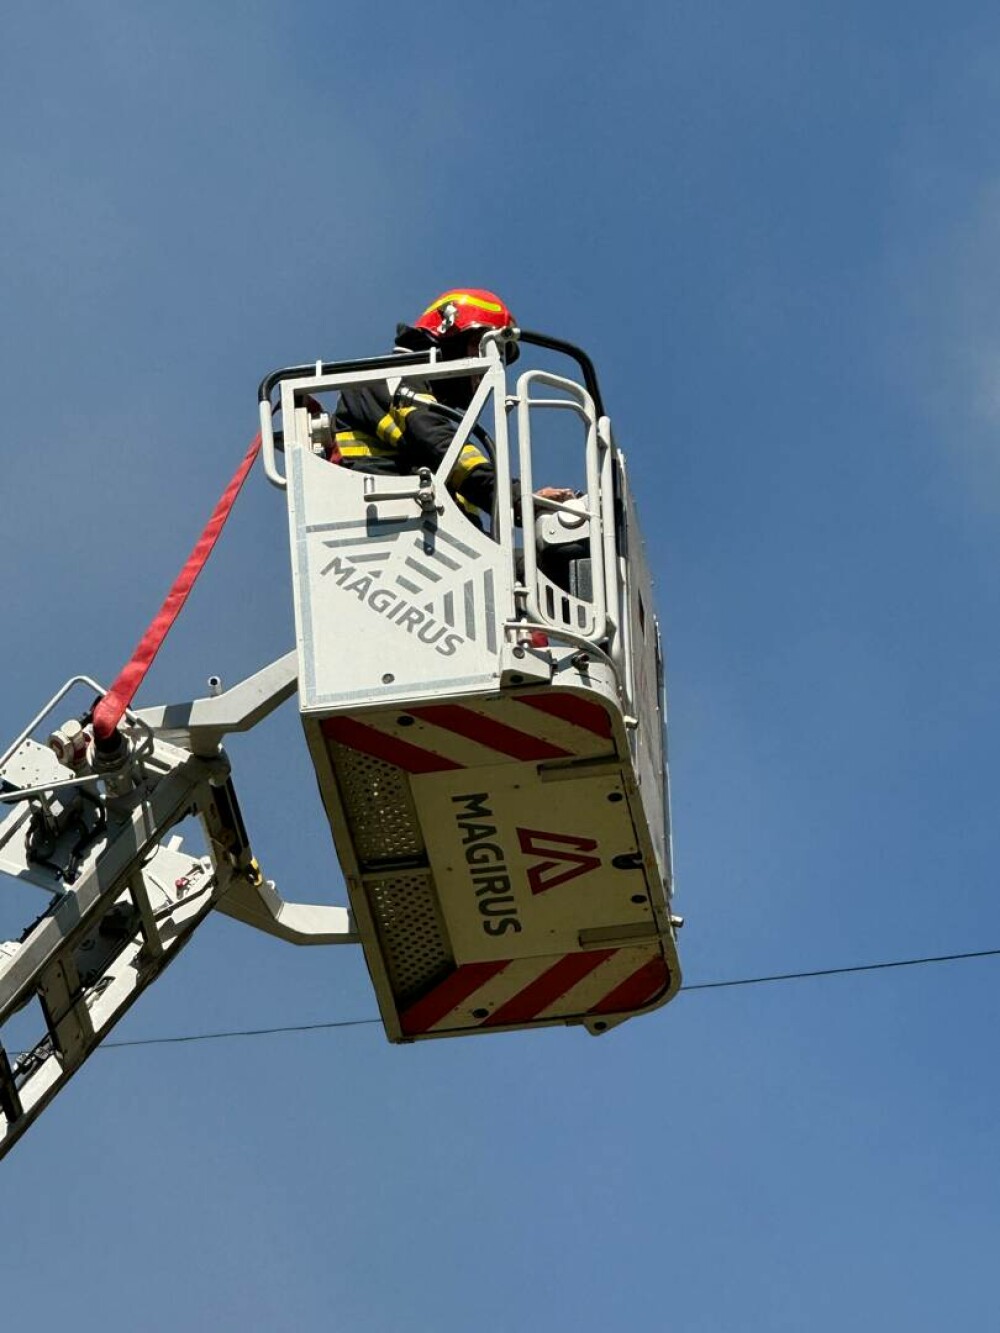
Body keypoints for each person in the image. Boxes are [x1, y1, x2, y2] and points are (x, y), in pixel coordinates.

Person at [330, 288, 573, 522]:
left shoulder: (421, 408)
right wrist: (517, 498)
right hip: (393, 525)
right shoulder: (386, 379)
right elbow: (434, 439)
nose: (491, 366)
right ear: (449, 339)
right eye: (483, 349)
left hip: (422, 535)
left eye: (498, 358)